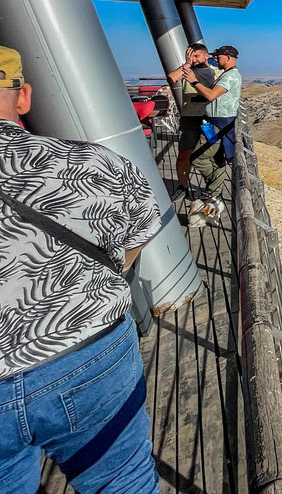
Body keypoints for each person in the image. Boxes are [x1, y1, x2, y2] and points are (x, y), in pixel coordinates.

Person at [0, 46, 160, 494]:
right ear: (24, 97)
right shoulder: (95, 164)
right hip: (89, 353)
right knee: (123, 481)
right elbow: (140, 233)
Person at [185, 45, 242, 204]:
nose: (215, 59)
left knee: (197, 159)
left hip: (219, 125)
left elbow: (211, 95)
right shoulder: (228, 74)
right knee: (218, 159)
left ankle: (213, 188)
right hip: (219, 122)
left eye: (218, 57)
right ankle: (213, 190)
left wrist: (193, 81)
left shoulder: (229, 77)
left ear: (229, 58)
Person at [166, 42, 219, 199]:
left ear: (206, 55)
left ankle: (211, 187)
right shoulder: (186, 71)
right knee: (184, 153)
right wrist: (187, 63)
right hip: (190, 118)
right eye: (190, 56)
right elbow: (171, 78)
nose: (194, 59)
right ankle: (183, 186)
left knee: (211, 153)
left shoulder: (216, 72)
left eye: (196, 56)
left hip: (209, 119)